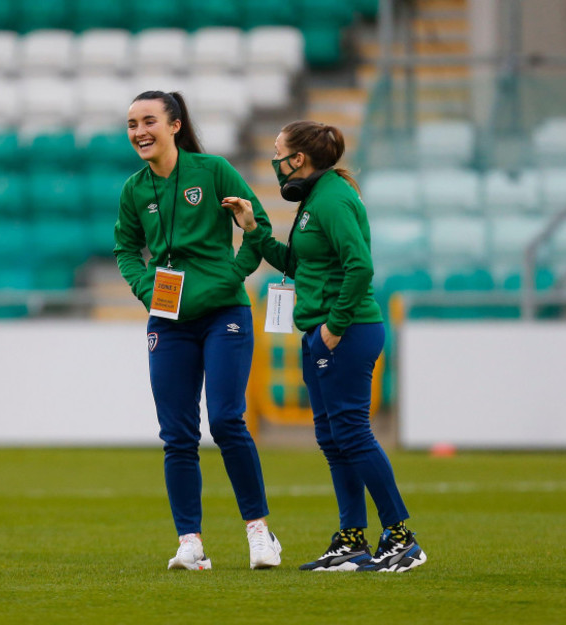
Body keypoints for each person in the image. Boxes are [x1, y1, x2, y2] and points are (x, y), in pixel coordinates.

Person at [223, 120, 426, 572]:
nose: (275, 162)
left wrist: (334, 327)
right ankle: (352, 539)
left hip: (346, 333)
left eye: (279, 152)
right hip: (323, 334)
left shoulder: (332, 198)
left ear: (300, 159)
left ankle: (401, 536)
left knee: (351, 433)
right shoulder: (317, 199)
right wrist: (253, 229)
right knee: (333, 439)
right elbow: (297, 264)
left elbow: (360, 267)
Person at [114, 90, 281, 571]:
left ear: (174, 124)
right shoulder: (133, 190)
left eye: (148, 121)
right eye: (131, 125)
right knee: (177, 434)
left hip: (224, 312)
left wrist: (233, 276)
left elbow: (258, 227)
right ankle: (191, 543)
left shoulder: (213, 172)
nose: (139, 132)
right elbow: (125, 249)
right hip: (167, 321)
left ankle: (260, 534)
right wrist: (147, 288)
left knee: (227, 420)